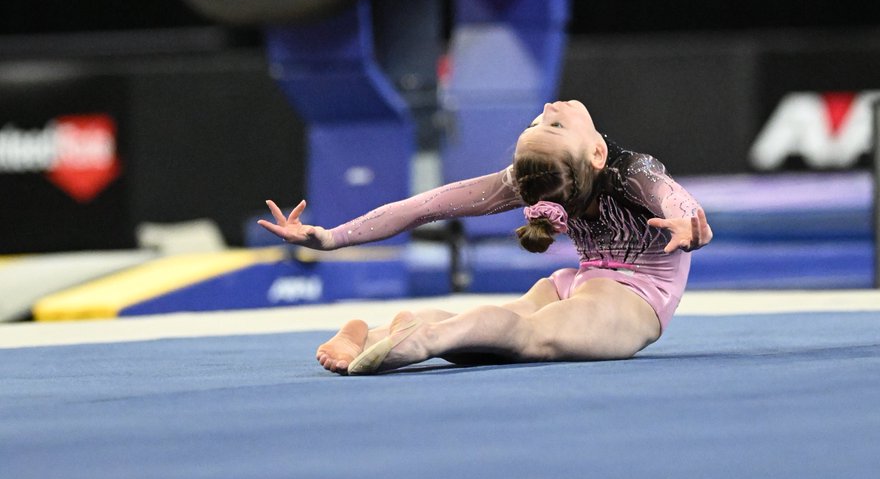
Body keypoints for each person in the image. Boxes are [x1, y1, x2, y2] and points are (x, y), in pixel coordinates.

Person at [257, 100, 712, 375]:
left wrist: (334, 237)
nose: (549, 111)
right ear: (595, 152)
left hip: (578, 283)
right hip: (629, 297)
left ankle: (370, 333)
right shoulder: (621, 168)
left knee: (500, 331)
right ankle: (422, 339)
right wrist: (332, 238)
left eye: (546, 123)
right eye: (542, 124)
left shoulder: (616, 174)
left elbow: (423, 207)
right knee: (530, 337)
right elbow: (424, 208)